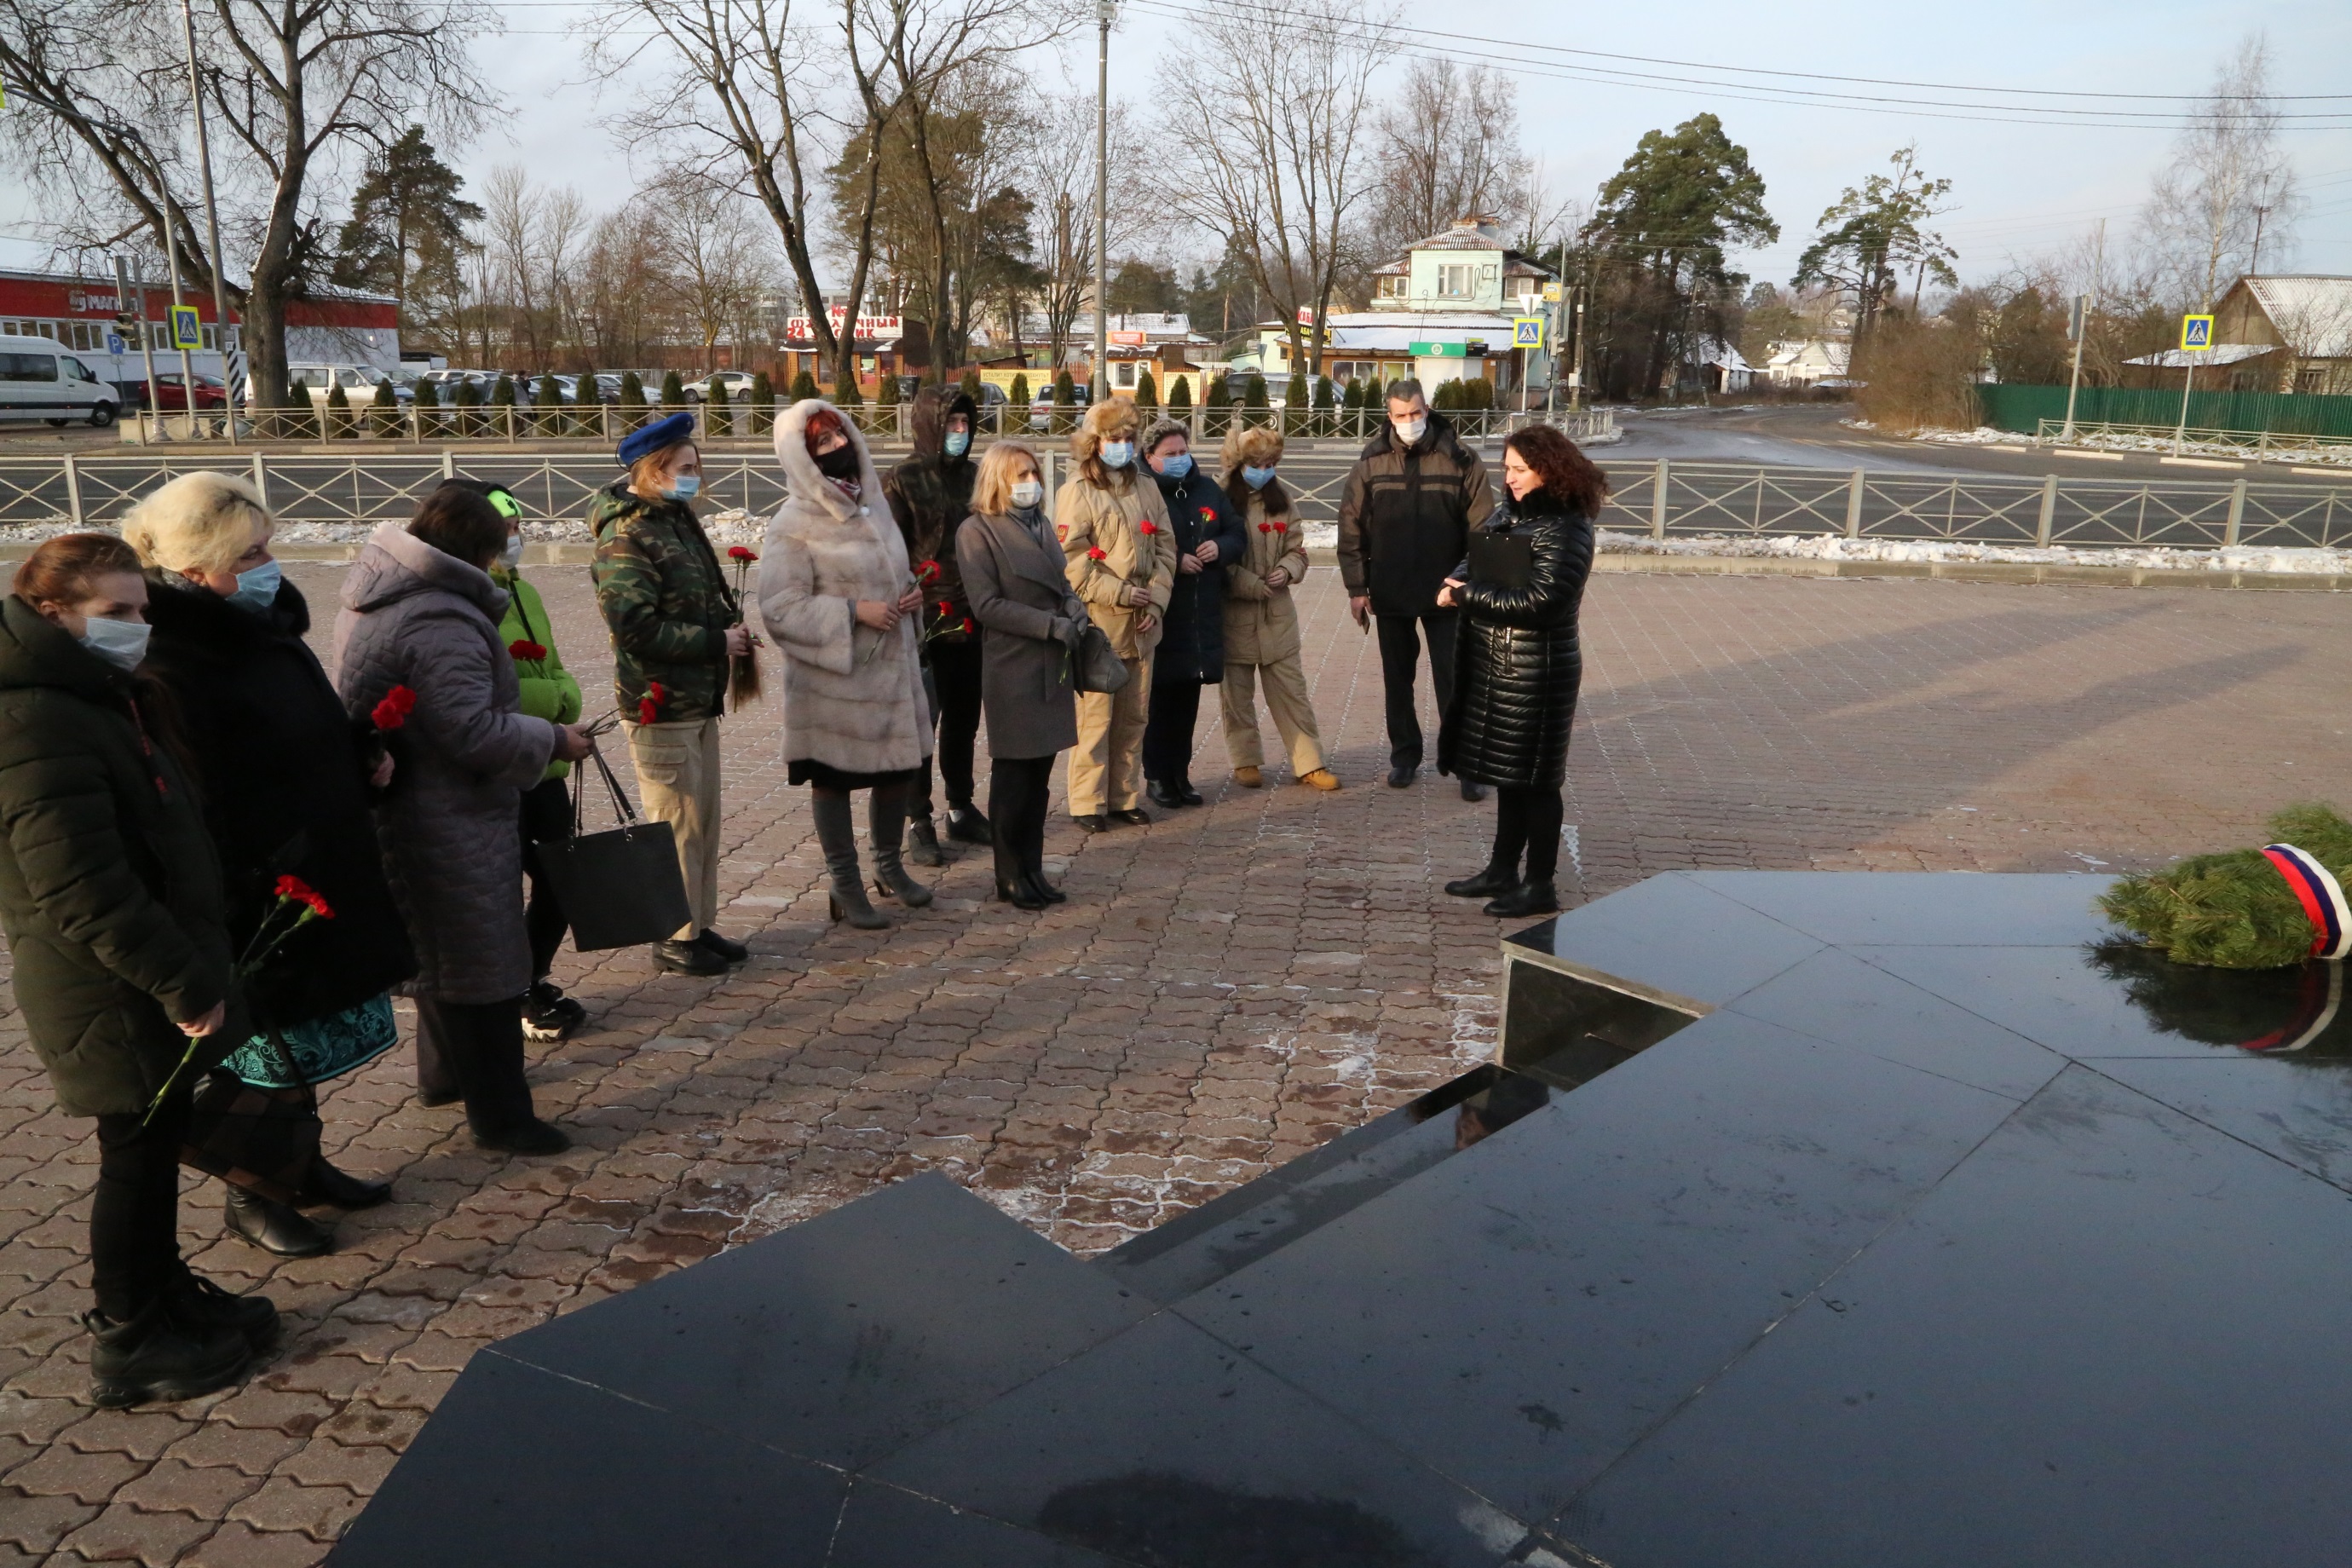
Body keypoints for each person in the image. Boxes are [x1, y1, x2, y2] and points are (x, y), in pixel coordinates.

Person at [0, 533, 274, 1408]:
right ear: (53, 613)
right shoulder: (35, 718)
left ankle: (164, 1294)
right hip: (109, 986)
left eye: (141, 610)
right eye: (115, 612)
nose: (136, 627)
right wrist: (179, 980)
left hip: (141, 970)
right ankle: (129, 1335)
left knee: (154, 1146)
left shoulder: (91, 693)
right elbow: (80, 886)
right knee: (134, 1153)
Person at [127, 473, 417, 1260]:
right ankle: (252, 1192)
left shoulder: (262, 627)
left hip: (316, 858)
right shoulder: (175, 657)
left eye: (266, 546)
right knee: (263, 1044)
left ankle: (302, 1164)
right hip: (259, 881)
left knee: (301, 1038)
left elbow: (304, 725)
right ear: (195, 569)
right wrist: (248, 878)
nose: (269, 564)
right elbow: (199, 790)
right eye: (249, 554)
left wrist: (360, 752)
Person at [337, 484, 594, 1153]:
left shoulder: (385, 593)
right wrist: (553, 739)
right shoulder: (439, 618)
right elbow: (471, 731)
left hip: (413, 804)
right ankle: (503, 1118)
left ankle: (444, 1078)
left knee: (442, 957)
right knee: (484, 967)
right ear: (477, 550)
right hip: (448, 811)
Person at [589, 409, 758, 977]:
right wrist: (715, 641)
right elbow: (633, 627)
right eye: (685, 468)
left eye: (695, 467)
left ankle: (697, 925)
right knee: (675, 824)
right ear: (652, 470)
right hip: (659, 702)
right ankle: (674, 936)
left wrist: (729, 626)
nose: (694, 477)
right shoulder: (627, 535)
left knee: (701, 822)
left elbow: (702, 593)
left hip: (696, 698)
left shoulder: (675, 520)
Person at [758, 399, 934, 931]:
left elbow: (894, 574)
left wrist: (909, 597)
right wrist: (855, 611)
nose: (839, 448)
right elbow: (779, 609)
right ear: (802, 457)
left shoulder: (872, 506)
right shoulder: (792, 524)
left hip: (891, 672)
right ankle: (845, 881)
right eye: (823, 443)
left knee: (898, 772)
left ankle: (889, 867)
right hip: (834, 684)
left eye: (840, 436)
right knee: (834, 781)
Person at [1435, 424, 1604, 918]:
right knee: (1509, 775)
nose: (1509, 478)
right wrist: (1457, 579)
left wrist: (1466, 596)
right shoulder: (1513, 513)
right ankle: (1502, 870)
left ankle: (1539, 884)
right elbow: (1478, 557)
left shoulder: (1567, 527)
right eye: (1507, 468)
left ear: (1549, 470)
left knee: (1537, 782)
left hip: (1537, 673)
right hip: (1498, 666)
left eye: (1520, 470)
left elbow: (1544, 602)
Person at [461, 481, 590, 1041]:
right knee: (503, 893)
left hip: (546, 764)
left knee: (564, 880)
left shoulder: (525, 592)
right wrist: (553, 703)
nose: (515, 537)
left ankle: (530, 978)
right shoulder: (467, 601)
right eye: (505, 528)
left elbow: (554, 668)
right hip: (504, 764)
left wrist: (563, 697)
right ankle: (509, 995)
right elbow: (494, 692)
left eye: (518, 527)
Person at [1335, 378, 1494, 800]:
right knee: (1397, 679)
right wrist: (1357, 587)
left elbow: (1483, 528)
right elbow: (1351, 527)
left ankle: (1466, 764)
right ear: (1389, 416)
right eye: (1401, 415)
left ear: (1428, 409)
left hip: (1448, 592)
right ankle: (1404, 757)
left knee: (1454, 681)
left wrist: (1465, 583)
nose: (1409, 421)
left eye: (1416, 413)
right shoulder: (1370, 462)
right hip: (1390, 589)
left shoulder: (1461, 458)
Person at [958, 440, 1087, 909]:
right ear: (998, 480)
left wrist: (1074, 605)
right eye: (1021, 475)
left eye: (1034, 473)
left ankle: (1032, 868)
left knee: (1039, 778)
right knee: (1014, 776)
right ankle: (1009, 874)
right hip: (1014, 663)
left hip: (1053, 663)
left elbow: (1061, 580)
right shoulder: (976, 531)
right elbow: (987, 605)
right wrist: (1049, 625)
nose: (1031, 482)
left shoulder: (1041, 525)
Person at [1058, 394, 1175, 832]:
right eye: (1113, 439)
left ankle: (1123, 796)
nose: (1122, 446)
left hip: (1143, 624)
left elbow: (1166, 547)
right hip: (1100, 621)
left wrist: (1156, 599)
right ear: (1095, 442)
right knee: (1096, 718)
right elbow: (1071, 560)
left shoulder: (1146, 486)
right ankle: (1086, 801)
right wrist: (1122, 593)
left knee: (1134, 716)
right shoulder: (1078, 492)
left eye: (1128, 438)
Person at [883, 386, 986, 862]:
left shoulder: (975, 476)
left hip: (973, 616)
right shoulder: (902, 479)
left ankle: (961, 807)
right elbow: (888, 550)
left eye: (965, 424)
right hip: (924, 622)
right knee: (921, 725)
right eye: (950, 424)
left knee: (963, 721)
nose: (959, 432)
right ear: (930, 425)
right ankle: (917, 818)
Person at [1217, 425, 1340, 793]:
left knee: (1292, 694)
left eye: (1271, 464)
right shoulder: (1220, 497)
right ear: (1239, 463)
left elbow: (1297, 548)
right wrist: (1249, 584)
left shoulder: (1282, 498)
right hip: (1234, 616)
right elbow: (1215, 557)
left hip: (1277, 616)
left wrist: (1287, 570)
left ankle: (1309, 763)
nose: (1265, 471)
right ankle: (1245, 760)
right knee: (1236, 698)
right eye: (1257, 464)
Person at [1138, 416, 1246, 809]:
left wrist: (1220, 547)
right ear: (1150, 456)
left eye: (1183, 451)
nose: (1180, 458)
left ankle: (1180, 773)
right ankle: (1157, 775)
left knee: (1187, 700)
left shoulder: (1207, 489)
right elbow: (1138, 544)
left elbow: (1236, 533)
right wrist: (1176, 559)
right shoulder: (1143, 490)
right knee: (1159, 700)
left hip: (1201, 612)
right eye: (1170, 453)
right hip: (1162, 609)